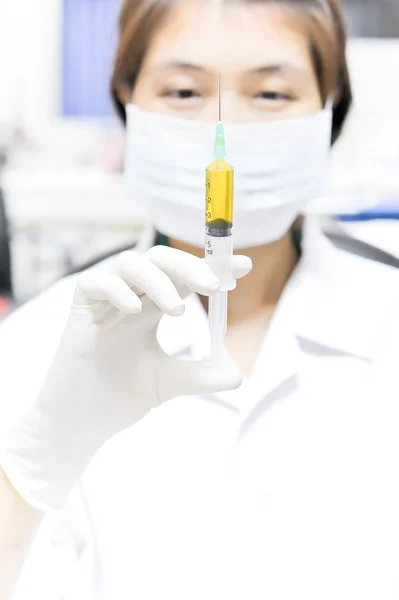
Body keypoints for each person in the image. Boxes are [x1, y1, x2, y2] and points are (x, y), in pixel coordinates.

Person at [1, 0, 399, 597]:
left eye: (270, 94)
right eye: (184, 91)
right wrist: (28, 471)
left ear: (330, 111)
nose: (229, 129)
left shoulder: (386, 313)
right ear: (128, 103)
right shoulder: (37, 345)